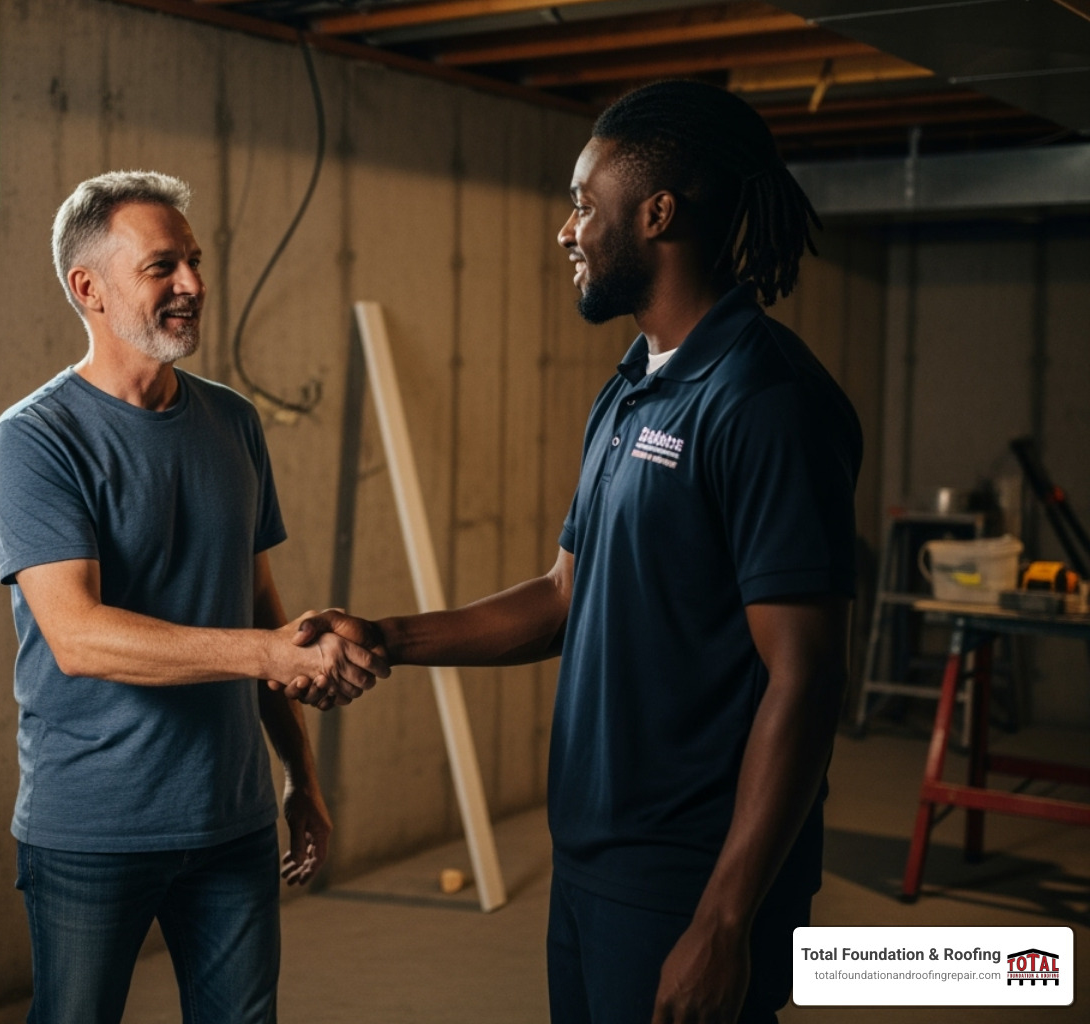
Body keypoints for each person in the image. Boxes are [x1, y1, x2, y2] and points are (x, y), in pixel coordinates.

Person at [284, 81, 861, 1024]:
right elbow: (564, 596)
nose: (568, 230)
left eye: (585, 204)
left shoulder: (766, 401)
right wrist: (384, 635)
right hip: (594, 855)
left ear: (659, 213)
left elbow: (806, 679)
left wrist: (722, 922)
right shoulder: (634, 382)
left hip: (692, 878)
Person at [0, 170, 387, 1024]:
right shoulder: (34, 439)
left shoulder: (233, 423)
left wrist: (299, 777)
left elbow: (262, 610)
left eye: (196, 263)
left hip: (231, 820)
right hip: (92, 826)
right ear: (86, 288)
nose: (194, 286)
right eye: (162, 266)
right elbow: (79, 637)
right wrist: (269, 655)